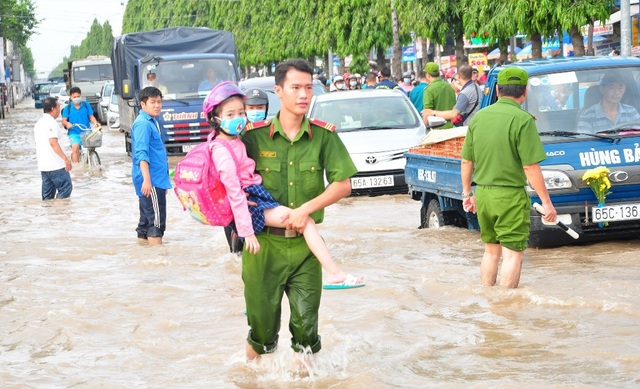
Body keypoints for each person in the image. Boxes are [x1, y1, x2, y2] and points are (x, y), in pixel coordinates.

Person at [241, 59, 359, 363]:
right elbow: (227, 177)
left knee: (307, 330)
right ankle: (250, 380)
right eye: (295, 87)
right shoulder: (252, 137)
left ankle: (303, 381)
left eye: (308, 87)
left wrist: (306, 209)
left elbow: (343, 184)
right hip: (262, 247)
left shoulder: (324, 136)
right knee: (261, 332)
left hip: (306, 249)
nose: (303, 94)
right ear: (278, 90)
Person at [204, 81, 362, 287]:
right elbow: (234, 192)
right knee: (305, 222)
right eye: (230, 115)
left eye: (241, 112)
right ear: (215, 119)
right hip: (249, 203)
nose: (239, 119)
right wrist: (247, 231)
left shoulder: (237, 141)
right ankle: (334, 273)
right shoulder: (222, 150)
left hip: (255, 197)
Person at [460, 67, 557, 288]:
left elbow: (466, 161)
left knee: (491, 251)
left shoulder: (479, 118)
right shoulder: (523, 120)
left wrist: (468, 194)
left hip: (483, 194)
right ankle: (506, 307)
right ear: (525, 91)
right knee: (513, 254)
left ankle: (489, 298)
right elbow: (530, 167)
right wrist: (547, 203)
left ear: (496, 89)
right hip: (510, 196)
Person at [131, 87, 172, 245]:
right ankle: (157, 261)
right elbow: (142, 154)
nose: (157, 106)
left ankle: (146, 262)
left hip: (155, 180)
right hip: (150, 180)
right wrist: (148, 180)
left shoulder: (152, 122)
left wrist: (164, 181)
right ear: (143, 104)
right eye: (153, 102)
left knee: (145, 222)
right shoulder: (143, 124)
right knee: (156, 223)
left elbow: (157, 153)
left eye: (159, 102)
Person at [34, 96, 72, 200]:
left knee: (47, 198)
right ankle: (60, 213)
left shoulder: (38, 123)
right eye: (58, 107)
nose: (59, 110)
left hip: (44, 166)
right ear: (52, 109)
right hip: (55, 165)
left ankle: (51, 214)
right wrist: (65, 159)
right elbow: (53, 142)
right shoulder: (51, 123)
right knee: (65, 188)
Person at [60, 86, 100, 163]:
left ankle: (91, 160)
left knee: (92, 146)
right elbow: (63, 121)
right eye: (74, 97)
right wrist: (67, 123)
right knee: (75, 148)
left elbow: (91, 117)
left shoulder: (86, 105)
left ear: (80, 95)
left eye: (78, 96)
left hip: (87, 131)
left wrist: (96, 123)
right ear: (70, 97)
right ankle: (77, 169)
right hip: (74, 133)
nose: (76, 98)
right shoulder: (67, 108)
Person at [422, 62, 457, 129]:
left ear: (428, 75)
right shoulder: (449, 86)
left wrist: (424, 128)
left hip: (436, 129)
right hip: (450, 127)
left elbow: (427, 112)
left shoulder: (429, 90)